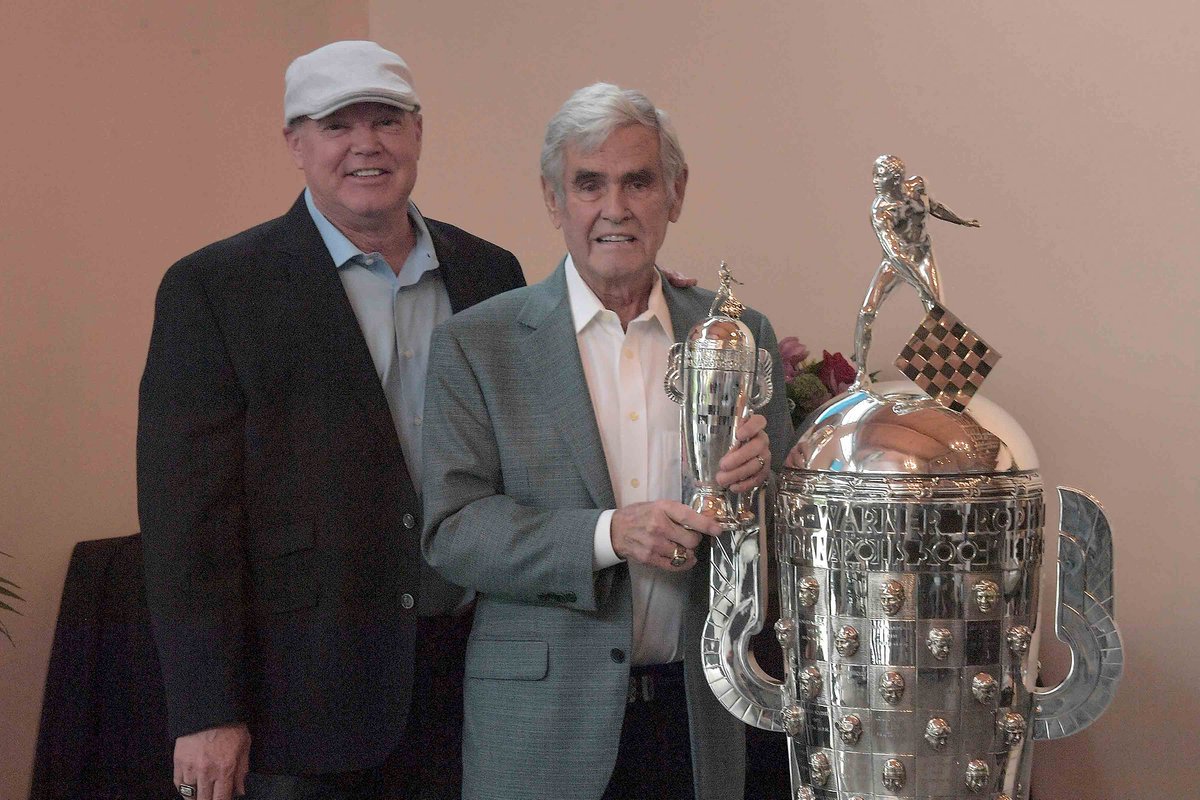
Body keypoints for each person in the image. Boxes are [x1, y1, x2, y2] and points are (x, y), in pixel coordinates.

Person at [137, 41, 526, 800]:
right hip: (305, 705)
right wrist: (206, 710)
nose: (365, 145)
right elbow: (187, 523)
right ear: (296, 143)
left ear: (417, 133)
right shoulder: (214, 288)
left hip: (479, 680)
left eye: (385, 120)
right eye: (337, 125)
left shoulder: (492, 274)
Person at [421, 82, 793, 800]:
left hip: (699, 718)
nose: (614, 208)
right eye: (589, 184)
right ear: (554, 200)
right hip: (541, 731)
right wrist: (607, 534)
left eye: (638, 181)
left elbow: (782, 549)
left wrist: (761, 487)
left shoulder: (739, 336)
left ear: (675, 194)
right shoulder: (479, 344)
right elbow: (454, 532)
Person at [852, 154, 980, 381]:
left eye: (880, 176)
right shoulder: (881, 211)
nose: (874, 181)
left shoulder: (917, 186)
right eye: (874, 175)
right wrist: (920, 285)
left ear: (895, 179)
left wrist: (960, 220)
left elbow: (935, 207)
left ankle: (951, 380)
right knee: (867, 312)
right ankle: (861, 373)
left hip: (923, 255)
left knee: (937, 311)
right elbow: (895, 253)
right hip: (896, 262)